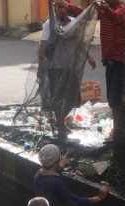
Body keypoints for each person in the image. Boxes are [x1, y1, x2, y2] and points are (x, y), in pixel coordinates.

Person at [39, 1, 97, 141]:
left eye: (63, 6)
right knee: (58, 98)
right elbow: (43, 46)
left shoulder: (73, 23)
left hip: (71, 67)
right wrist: (41, 65)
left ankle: (60, 122)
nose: (61, 10)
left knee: (72, 98)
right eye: (58, 7)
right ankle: (61, 125)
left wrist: (89, 57)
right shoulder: (50, 25)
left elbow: (80, 43)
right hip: (56, 67)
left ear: (67, 7)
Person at [34, 144, 109, 206]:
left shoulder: (38, 174)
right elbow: (74, 200)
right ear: (57, 162)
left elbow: (49, 177)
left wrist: (59, 167)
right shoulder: (55, 182)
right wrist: (98, 198)